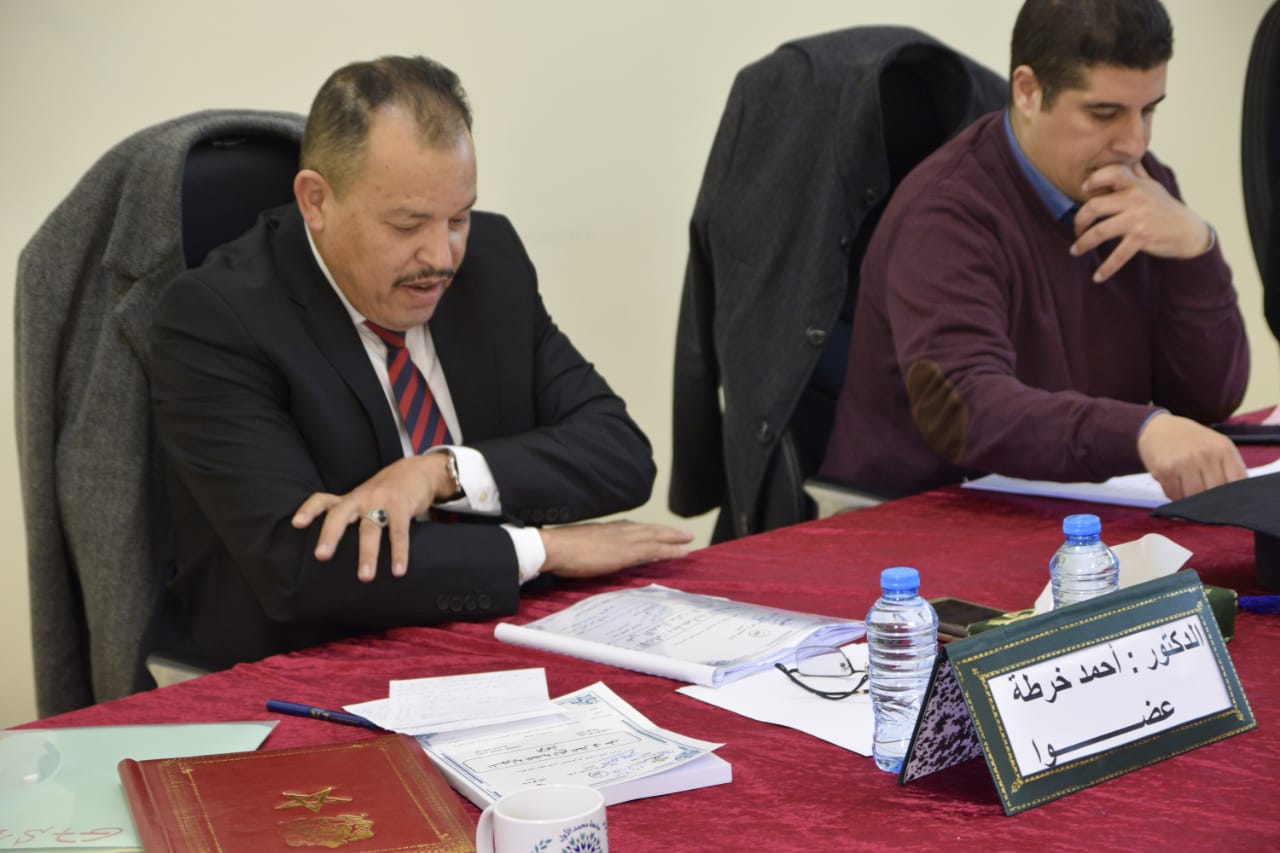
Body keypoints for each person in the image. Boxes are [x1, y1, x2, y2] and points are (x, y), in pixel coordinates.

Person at [149, 56, 692, 667]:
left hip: (496, 636)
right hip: (315, 662)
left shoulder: (492, 261)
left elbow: (620, 455)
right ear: (316, 201)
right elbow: (300, 566)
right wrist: (542, 550)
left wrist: (438, 474)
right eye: (408, 225)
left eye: (458, 218)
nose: (441, 257)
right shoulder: (218, 317)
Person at [820, 0, 1249, 503]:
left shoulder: (1143, 190)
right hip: (922, 515)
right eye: (1104, 113)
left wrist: (1196, 250)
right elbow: (966, 407)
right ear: (1027, 90)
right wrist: (1139, 432)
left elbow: (1207, 401)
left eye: (1148, 110)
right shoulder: (946, 213)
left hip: (1081, 503)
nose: (1134, 143)